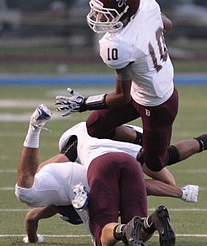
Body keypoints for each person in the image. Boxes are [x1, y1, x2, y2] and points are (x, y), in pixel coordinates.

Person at [55, 0, 207, 174]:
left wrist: (85, 103)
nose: (98, 17)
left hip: (157, 102)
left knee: (155, 163)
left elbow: (121, 97)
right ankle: (143, 140)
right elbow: (167, 25)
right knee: (95, 127)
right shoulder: (147, 5)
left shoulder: (118, 44)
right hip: (139, 89)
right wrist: (148, 26)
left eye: (105, 12)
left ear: (124, 12)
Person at [15, 104, 177, 246]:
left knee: (104, 235)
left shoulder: (79, 148)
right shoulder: (74, 166)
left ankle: (34, 129)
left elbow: (33, 213)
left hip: (108, 158)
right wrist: (180, 192)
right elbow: (32, 214)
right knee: (133, 230)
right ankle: (152, 220)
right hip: (131, 156)